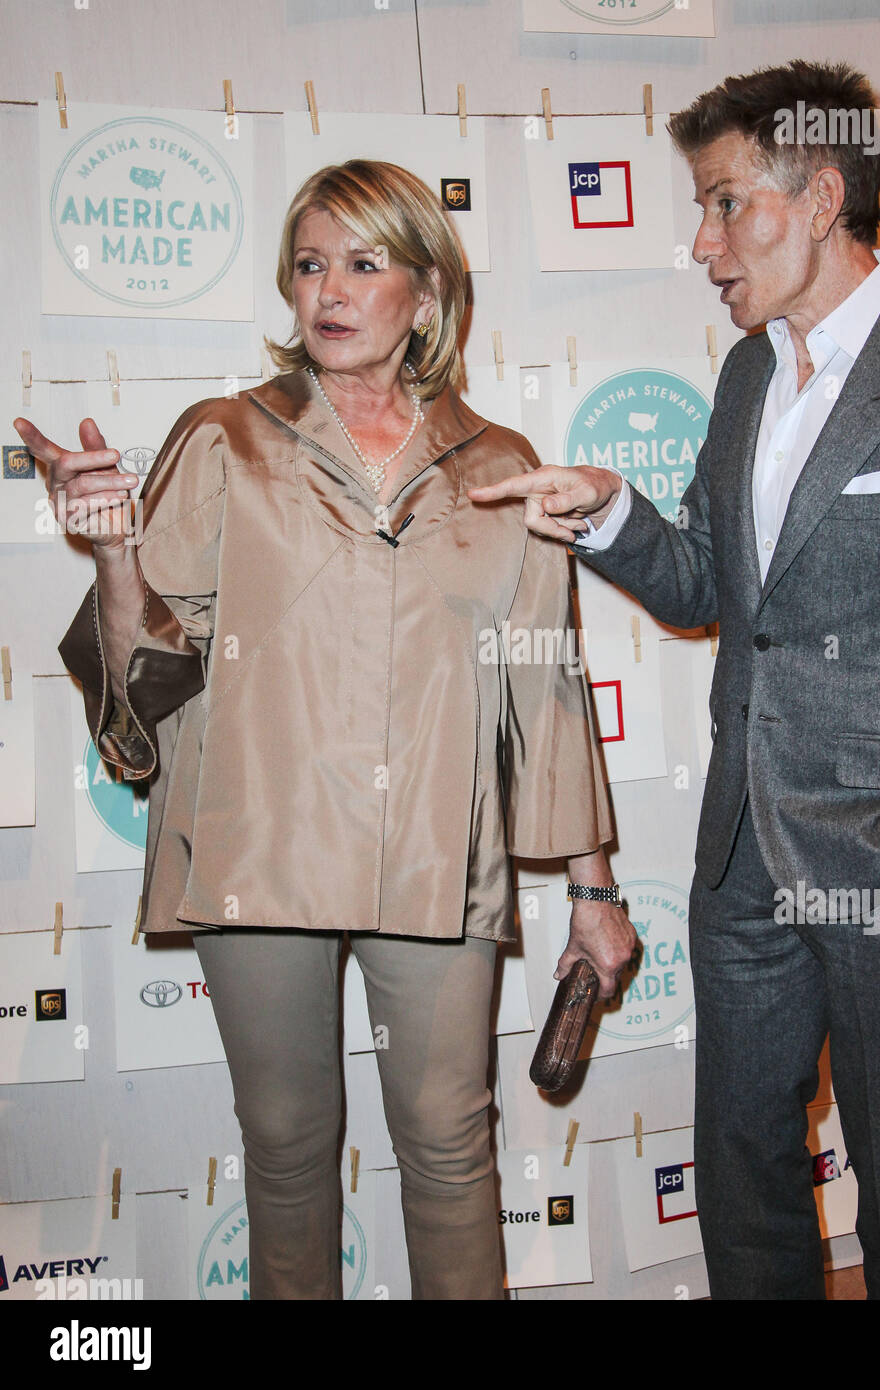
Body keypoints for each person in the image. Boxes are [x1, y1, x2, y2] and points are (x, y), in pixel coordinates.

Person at [470, 61, 880, 1300]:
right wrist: (611, 513)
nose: (701, 243)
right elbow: (709, 588)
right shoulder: (749, 373)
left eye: (725, 202)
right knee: (741, 1173)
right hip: (741, 849)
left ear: (822, 195)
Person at [15, 159, 636, 1301]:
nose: (330, 291)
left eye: (363, 262)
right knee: (289, 1155)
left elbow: (541, 688)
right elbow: (146, 673)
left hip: (433, 855)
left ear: (429, 295)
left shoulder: (501, 468)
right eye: (309, 264)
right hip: (257, 849)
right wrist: (111, 552)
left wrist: (594, 895)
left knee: (454, 1149)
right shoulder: (221, 440)